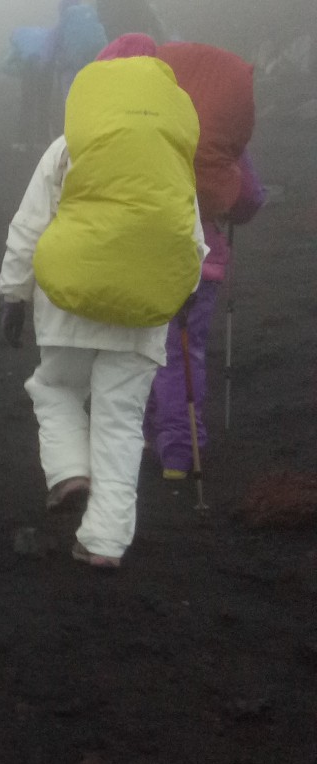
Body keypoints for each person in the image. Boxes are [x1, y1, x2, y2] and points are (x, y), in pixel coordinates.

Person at [0, 35, 205, 568]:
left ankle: (69, 472)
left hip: (70, 302)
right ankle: (103, 543)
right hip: (142, 311)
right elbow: (192, 238)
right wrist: (178, 294)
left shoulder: (69, 145)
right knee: (120, 421)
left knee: (55, 386)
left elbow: (30, 225)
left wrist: (13, 294)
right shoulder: (172, 153)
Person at [146, 42, 266, 481]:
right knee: (181, 350)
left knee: (140, 347)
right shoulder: (218, 137)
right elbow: (247, 198)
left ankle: (140, 432)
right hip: (198, 262)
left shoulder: (144, 131)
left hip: (141, 256)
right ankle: (180, 453)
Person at [50, 0, 108, 122]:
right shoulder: (90, 11)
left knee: (72, 99)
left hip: (74, 67)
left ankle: (76, 125)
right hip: (99, 57)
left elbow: (54, 46)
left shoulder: (63, 20)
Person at [5, 25, 55, 146]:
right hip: (47, 65)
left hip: (30, 64)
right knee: (44, 104)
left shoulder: (18, 38)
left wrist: (19, 72)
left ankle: (23, 141)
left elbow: (5, 65)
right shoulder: (46, 32)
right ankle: (44, 141)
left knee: (27, 104)